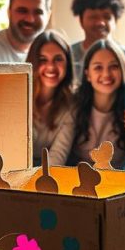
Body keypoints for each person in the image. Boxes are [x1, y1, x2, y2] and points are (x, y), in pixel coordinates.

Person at [69, 39, 125, 169]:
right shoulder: (74, 103)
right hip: (76, 180)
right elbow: (62, 151)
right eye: (98, 67)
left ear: (123, 70)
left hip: (118, 181)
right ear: (87, 74)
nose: (106, 74)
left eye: (113, 66)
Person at [70, 0, 125, 85]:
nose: (101, 22)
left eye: (107, 17)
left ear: (115, 21)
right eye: (93, 17)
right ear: (81, 21)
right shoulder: (68, 55)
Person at [27, 30, 75, 166]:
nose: (51, 67)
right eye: (43, 60)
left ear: (68, 64)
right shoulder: (17, 96)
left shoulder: (72, 103)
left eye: (58, 59)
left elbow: (58, 155)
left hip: (47, 174)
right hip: (14, 173)